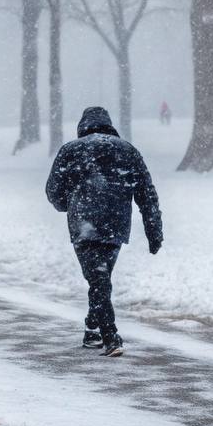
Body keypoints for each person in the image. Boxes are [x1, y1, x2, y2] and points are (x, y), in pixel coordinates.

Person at [45, 106, 163, 357]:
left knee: (98, 279)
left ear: (83, 126)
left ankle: (110, 336)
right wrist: (154, 231)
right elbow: (147, 194)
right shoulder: (127, 150)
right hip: (115, 224)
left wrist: (68, 204)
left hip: (83, 224)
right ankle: (92, 328)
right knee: (100, 278)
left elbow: (53, 191)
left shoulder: (71, 150)